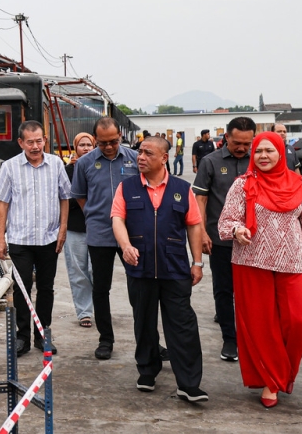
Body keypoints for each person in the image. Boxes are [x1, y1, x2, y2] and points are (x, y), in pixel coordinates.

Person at [218, 132, 302, 407]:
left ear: (281, 153)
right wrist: (238, 230)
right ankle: (272, 381)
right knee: (262, 326)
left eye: (269, 151)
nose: (263, 156)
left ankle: (282, 372)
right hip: (250, 262)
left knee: (299, 318)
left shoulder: (300, 185)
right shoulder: (242, 185)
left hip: (292, 262)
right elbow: (225, 221)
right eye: (258, 151)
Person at [111, 136, 208, 402]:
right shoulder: (127, 187)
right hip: (140, 267)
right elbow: (117, 219)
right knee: (144, 322)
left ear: (164, 158)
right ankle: (147, 370)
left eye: (148, 153)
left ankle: (188, 383)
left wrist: (197, 262)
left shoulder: (181, 188)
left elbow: (194, 225)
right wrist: (125, 245)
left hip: (175, 267)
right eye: (140, 152)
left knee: (182, 325)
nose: (140, 157)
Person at [0, 120, 72, 357]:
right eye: (30, 142)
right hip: (20, 239)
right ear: (21, 143)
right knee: (22, 288)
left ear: (44, 140)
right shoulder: (10, 167)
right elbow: (3, 204)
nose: (35, 146)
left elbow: (64, 198)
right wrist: (1, 237)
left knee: (47, 288)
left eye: (39, 141)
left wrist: (63, 229)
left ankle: (43, 334)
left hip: (49, 238)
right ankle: (23, 337)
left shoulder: (56, 164)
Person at [72, 117, 140, 359]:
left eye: (113, 142)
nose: (109, 147)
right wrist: (94, 214)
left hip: (132, 235)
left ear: (120, 137)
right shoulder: (85, 163)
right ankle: (105, 340)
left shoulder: (134, 159)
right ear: (95, 139)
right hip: (99, 234)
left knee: (140, 287)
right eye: (103, 143)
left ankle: (148, 339)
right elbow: (80, 195)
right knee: (101, 289)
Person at [193, 116, 256, 361]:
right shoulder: (210, 162)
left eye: (247, 143)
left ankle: (250, 338)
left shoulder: (259, 161)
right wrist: (202, 232)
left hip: (253, 241)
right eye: (237, 142)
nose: (242, 148)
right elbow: (201, 199)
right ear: (226, 137)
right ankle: (230, 339)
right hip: (221, 241)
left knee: (250, 293)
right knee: (223, 290)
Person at [64, 132, 96, 329]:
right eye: (82, 145)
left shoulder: (99, 167)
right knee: (78, 272)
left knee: (96, 271)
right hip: (74, 228)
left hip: (98, 227)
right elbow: (64, 200)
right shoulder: (67, 171)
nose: (85, 148)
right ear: (75, 148)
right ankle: (84, 312)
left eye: (89, 145)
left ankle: (100, 308)